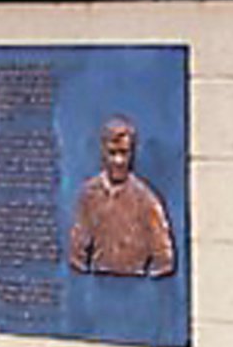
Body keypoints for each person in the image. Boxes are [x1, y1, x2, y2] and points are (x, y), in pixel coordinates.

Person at [67, 116, 176, 278]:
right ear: (103, 153)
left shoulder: (146, 200)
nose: (118, 161)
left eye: (124, 153)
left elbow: (164, 261)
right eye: (112, 153)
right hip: (98, 285)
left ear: (132, 153)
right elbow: (77, 254)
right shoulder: (89, 195)